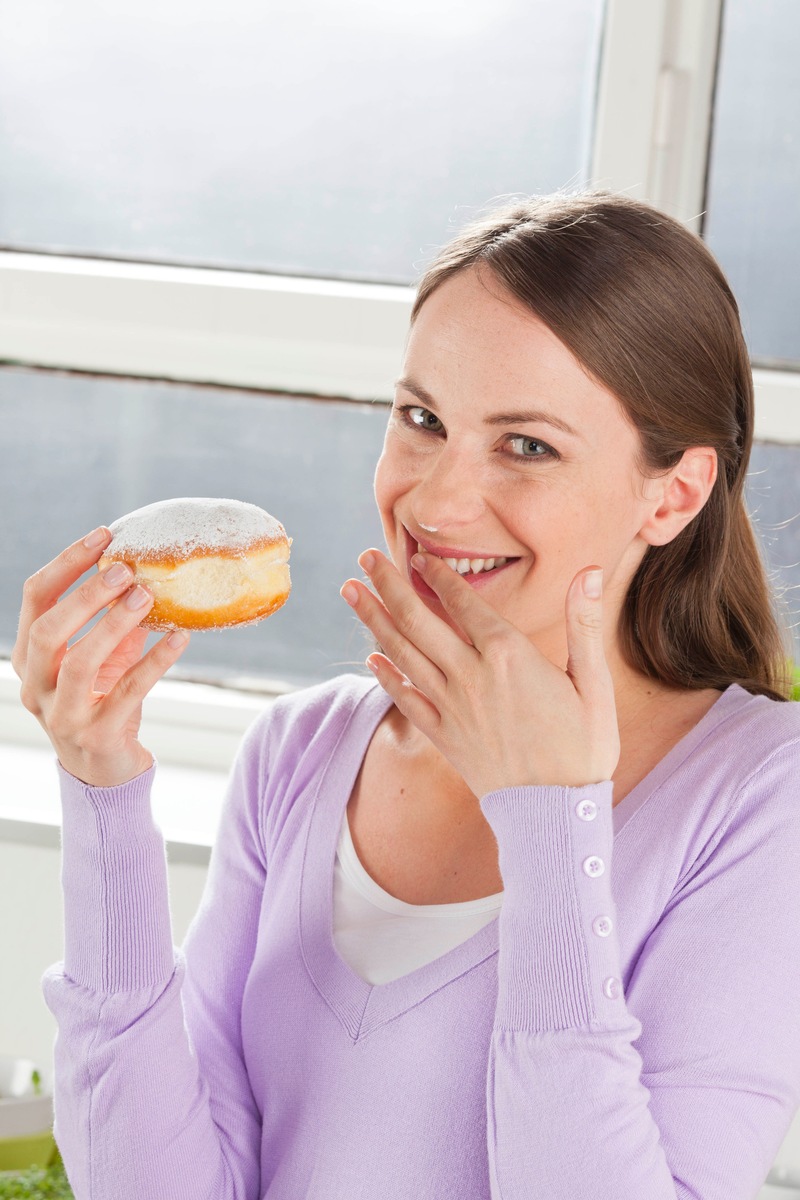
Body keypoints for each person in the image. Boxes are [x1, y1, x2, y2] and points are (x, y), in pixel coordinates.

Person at [13, 191, 800, 1199]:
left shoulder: (757, 796)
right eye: (421, 419)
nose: (431, 501)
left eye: (526, 446)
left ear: (673, 493)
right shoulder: (301, 752)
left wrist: (551, 826)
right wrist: (101, 786)